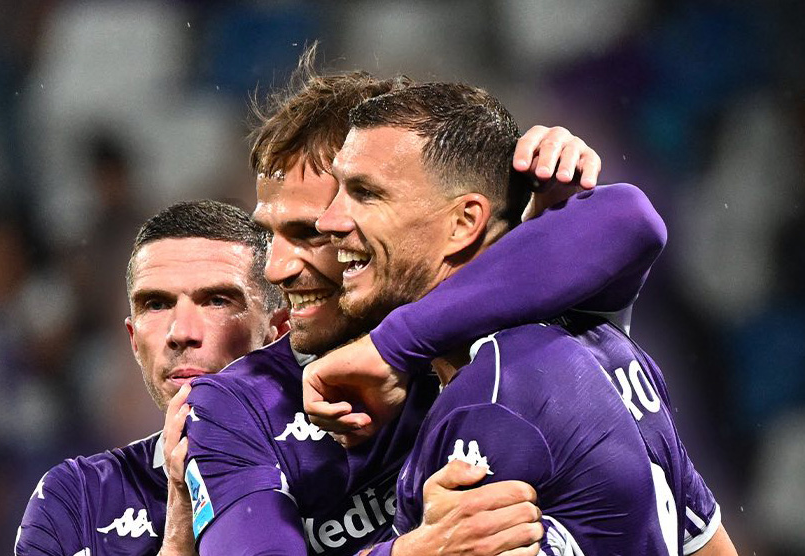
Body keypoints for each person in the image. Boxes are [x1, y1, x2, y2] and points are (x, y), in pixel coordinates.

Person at [179, 49, 668, 555]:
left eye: (311, 232)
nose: (276, 269)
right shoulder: (235, 406)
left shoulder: (519, 345)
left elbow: (628, 218)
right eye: (270, 235)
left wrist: (547, 213)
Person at [309, 82, 737, 554]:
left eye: (365, 193)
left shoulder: (491, 398)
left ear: (464, 222)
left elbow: (631, 216)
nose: (328, 222)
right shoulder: (603, 342)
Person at [14, 200, 288, 555]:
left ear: (278, 332)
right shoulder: (76, 502)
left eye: (217, 301)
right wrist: (177, 541)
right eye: (157, 304)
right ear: (134, 341)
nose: (181, 332)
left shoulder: (337, 467)